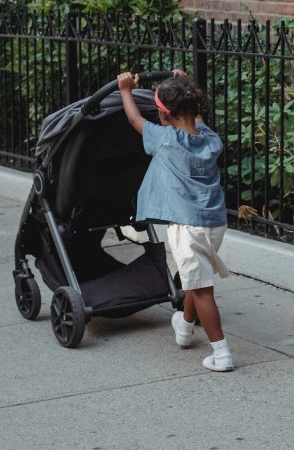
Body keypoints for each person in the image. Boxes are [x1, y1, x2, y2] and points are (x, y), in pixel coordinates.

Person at [117, 69, 234, 372]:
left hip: (187, 226)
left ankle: (221, 353)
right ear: (197, 110)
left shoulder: (165, 140)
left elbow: (134, 121)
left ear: (164, 115)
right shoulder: (210, 138)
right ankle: (183, 327)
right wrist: (180, 83)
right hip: (215, 222)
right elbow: (198, 120)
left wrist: (125, 90)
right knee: (196, 278)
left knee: (202, 288)